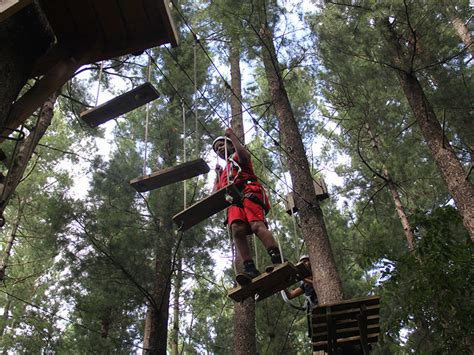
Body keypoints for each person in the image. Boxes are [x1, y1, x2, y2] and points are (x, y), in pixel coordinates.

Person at [213, 127, 282, 284]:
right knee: (236, 229)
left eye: (222, 145)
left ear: (230, 145)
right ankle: (250, 268)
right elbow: (215, 194)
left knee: (256, 225)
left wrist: (233, 136)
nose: (219, 150)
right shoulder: (224, 172)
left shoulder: (237, 156)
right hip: (234, 199)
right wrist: (216, 177)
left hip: (249, 191)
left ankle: (277, 260)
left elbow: (245, 157)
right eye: (217, 149)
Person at [284, 255, 318, 338]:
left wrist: (302, 278)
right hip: (312, 307)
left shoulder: (317, 274)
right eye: (302, 262)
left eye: (306, 261)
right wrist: (282, 286)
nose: (305, 263)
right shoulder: (305, 284)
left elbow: (317, 285)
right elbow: (290, 295)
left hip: (319, 303)